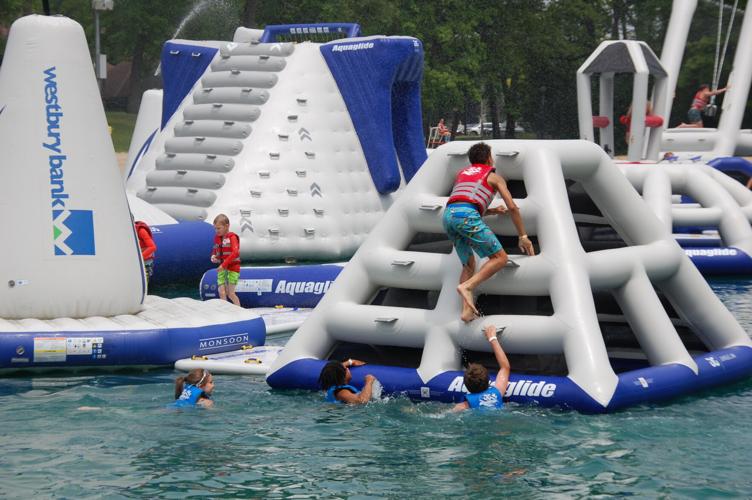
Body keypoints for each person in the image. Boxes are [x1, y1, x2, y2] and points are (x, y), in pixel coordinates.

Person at [443, 142, 535, 322]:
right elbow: (513, 207)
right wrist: (523, 236)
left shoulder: (462, 174)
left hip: (448, 216)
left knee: (468, 265)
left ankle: (466, 312)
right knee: (500, 258)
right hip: (466, 216)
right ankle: (468, 286)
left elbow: (464, 202)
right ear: (488, 159)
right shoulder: (494, 177)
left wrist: (492, 211)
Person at [453, 325, 510, 411]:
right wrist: (492, 338)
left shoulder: (463, 406)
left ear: (466, 385)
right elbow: (505, 367)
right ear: (488, 380)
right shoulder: (497, 393)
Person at [211, 213, 241, 306]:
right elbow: (215, 249)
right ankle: (225, 310)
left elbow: (235, 252)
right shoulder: (217, 238)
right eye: (215, 228)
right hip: (222, 267)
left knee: (230, 293)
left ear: (227, 226)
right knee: (221, 292)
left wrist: (223, 265)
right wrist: (213, 256)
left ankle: (239, 310)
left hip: (233, 268)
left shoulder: (232, 237)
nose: (216, 231)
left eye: (219, 228)